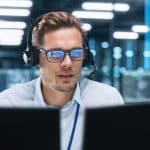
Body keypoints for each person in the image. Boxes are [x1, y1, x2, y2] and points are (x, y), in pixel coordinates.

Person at [0, 11, 124, 150]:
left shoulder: (107, 100)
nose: (67, 63)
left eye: (76, 52)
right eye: (55, 54)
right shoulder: (8, 104)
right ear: (34, 58)